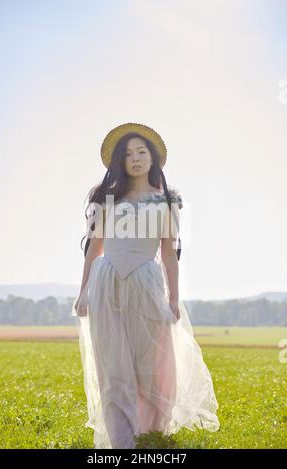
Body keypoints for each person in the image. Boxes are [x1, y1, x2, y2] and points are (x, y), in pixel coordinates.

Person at [71, 122, 220, 449]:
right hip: (107, 283)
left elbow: (169, 254)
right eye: (128, 154)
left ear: (153, 159)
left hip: (147, 283)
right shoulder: (104, 198)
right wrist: (83, 291)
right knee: (113, 364)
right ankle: (123, 440)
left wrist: (175, 298)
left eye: (141, 152)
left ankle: (150, 432)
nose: (135, 158)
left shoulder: (167, 200)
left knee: (153, 361)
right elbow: (93, 249)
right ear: (119, 162)